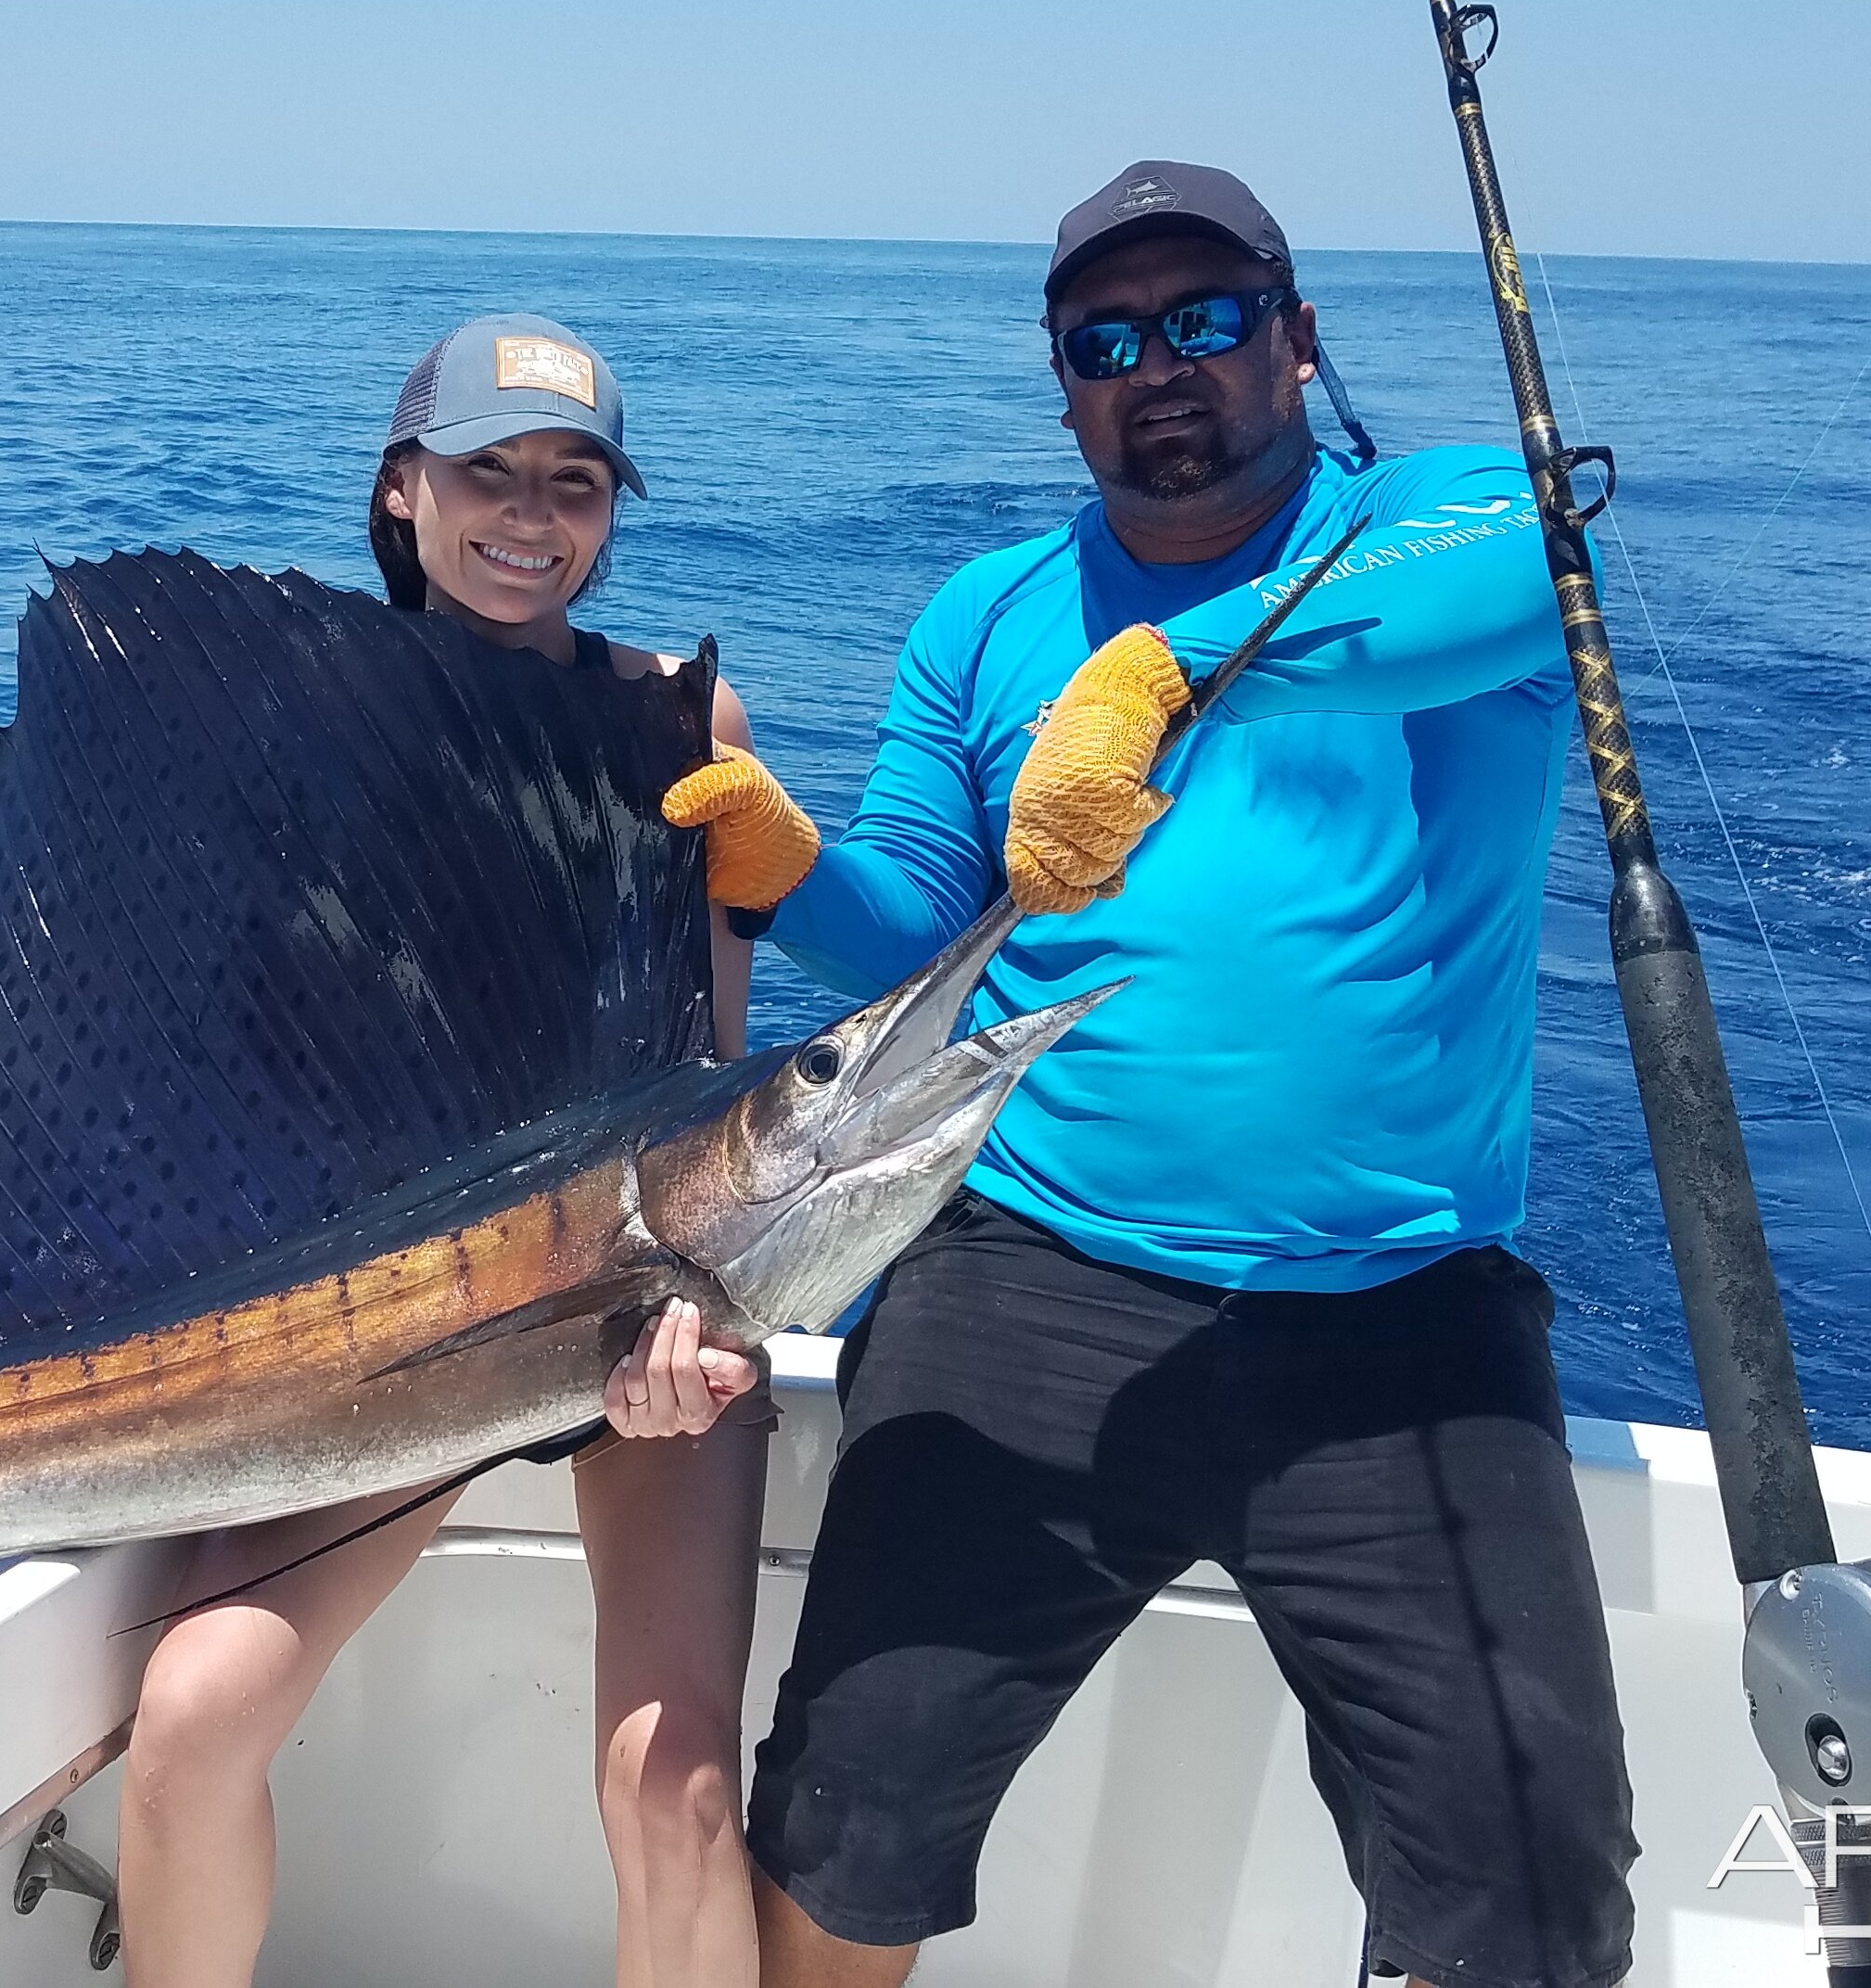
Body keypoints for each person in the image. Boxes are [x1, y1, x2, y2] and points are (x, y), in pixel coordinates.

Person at [672, 164, 1639, 1988]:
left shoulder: (1434, 524)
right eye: (1105, 340)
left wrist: (1165, 676)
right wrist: (779, 868)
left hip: (1399, 1316)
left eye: (1206, 318)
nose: (1159, 364)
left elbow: (1540, 563)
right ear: (1064, 386)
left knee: (1535, 1884)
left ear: (1297, 338)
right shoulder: (984, 614)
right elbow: (927, 941)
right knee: (849, 1815)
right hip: (1030, 1277)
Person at [117, 313, 809, 1988]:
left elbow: (707, 1076)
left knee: (679, 1788)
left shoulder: (680, 718)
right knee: (196, 1712)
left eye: (575, 482)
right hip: (412, 1315)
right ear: (402, 488)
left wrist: (685, 1324)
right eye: (488, 471)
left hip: (646, 1296)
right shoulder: (295, 719)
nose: (531, 514)